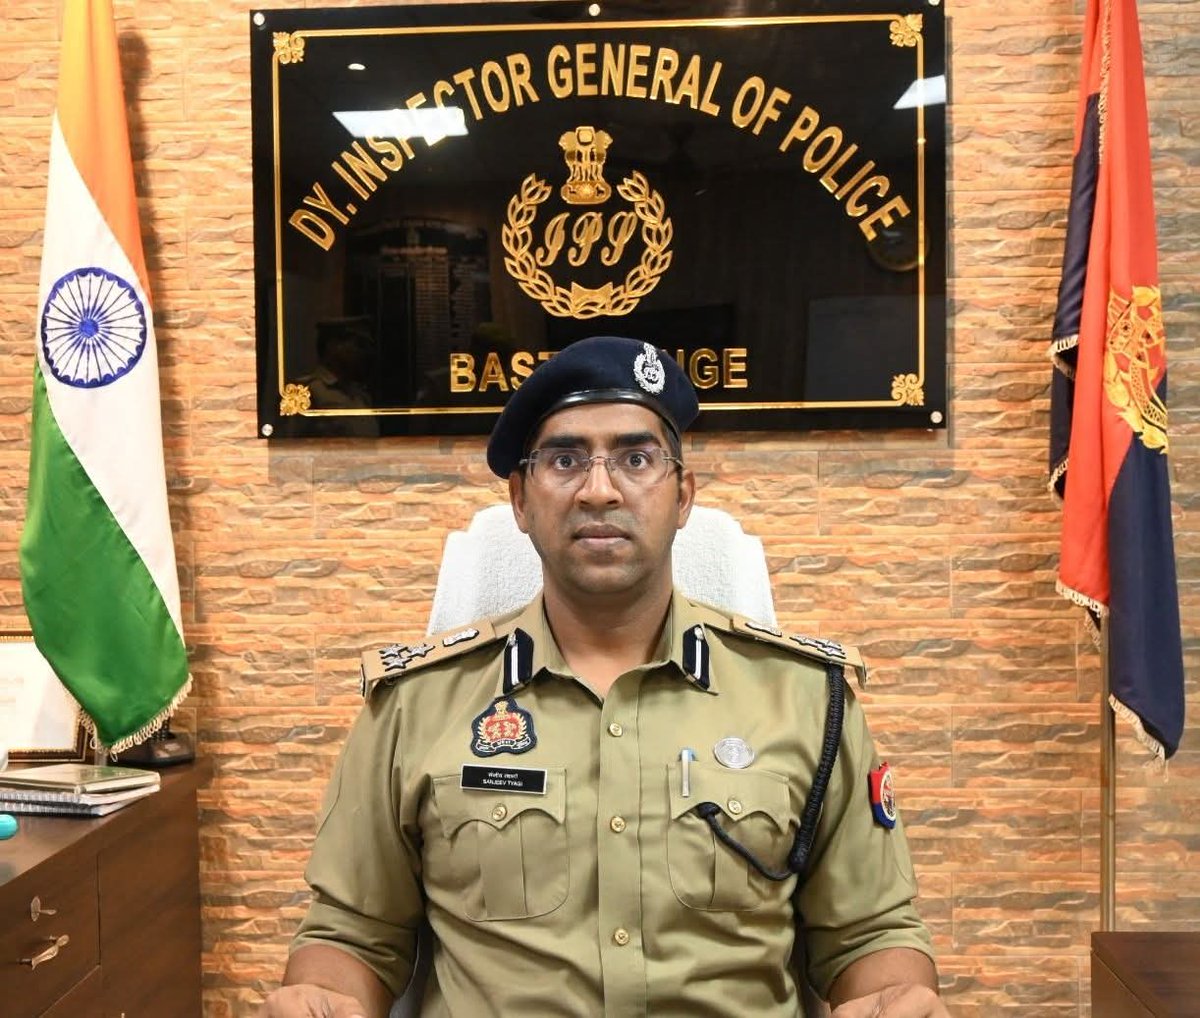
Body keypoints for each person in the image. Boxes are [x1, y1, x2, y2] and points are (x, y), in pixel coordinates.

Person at [260, 335, 948, 1018]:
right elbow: (352, 934)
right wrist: (324, 1001)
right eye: (565, 460)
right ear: (520, 500)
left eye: (636, 458)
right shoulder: (416, 706)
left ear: (683, 496)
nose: (598, 490)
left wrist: (892, 999)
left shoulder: (805, 697)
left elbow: (869, 933)